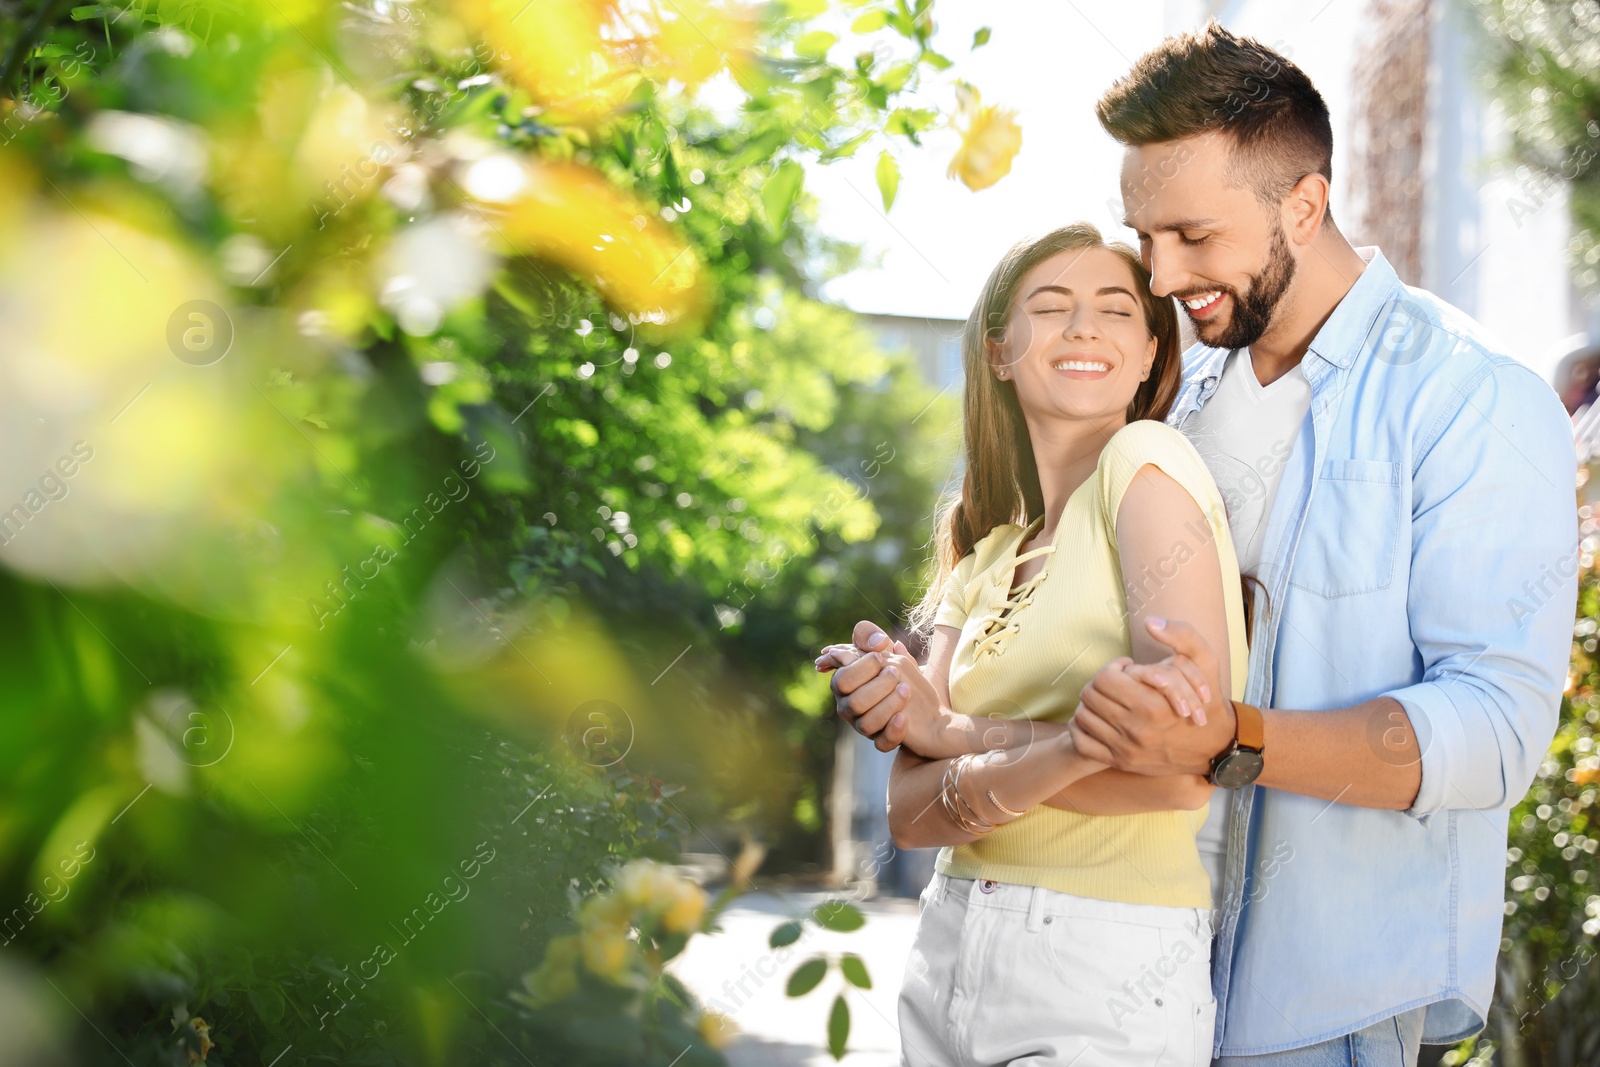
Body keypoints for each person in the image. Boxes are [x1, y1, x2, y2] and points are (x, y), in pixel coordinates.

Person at [831, 21, 1579, 1067]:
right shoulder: (1169, 409)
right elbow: (1084, 685)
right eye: (1144, 237)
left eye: (1190, 235)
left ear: (1303, 204)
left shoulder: (1471, 398)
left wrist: (1232, 735)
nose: (1160, 272)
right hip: (1123, 966)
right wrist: (936, 709)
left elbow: (1492, 729)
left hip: (1321, 995)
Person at [819, 220, 1250, 1066]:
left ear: (1151, 357)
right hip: (950, 939)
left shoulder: (1144, 458)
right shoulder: (983, 554)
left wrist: (961, 739)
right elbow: (910, 814)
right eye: (1050, 307)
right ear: (999, 353)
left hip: (1105, 961)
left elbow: (1173, 772)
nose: (1084, 327)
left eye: (1116, 311)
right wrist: (1078, 747)